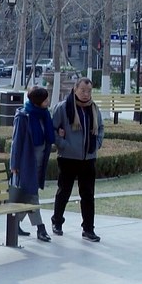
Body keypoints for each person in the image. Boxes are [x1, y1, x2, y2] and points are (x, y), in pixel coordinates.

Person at [50, 77, 105, 242]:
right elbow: (52, 129)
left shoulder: (93, 108)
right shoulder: (63, 108)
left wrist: (97, 144)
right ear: (75, 89)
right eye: (83, 90)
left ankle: (88, 229)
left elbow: (100, 127)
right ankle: (57, 222)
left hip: (89, 158)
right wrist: (63, 144)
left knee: (88, 194)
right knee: (64, 191)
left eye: (89, 91)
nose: (86, 94)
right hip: (68, 157)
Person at [9, 86, 55, 242]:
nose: (48, 101)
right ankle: (40, 228)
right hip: (26, 162)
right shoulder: (23, 117)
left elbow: (48, 135)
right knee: (32, 195)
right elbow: (16, 142)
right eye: (45, 99)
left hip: (40, 161)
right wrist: (14, 165)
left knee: (27, 195)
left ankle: (14, 223)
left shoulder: (44, 114)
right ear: (37, 101)